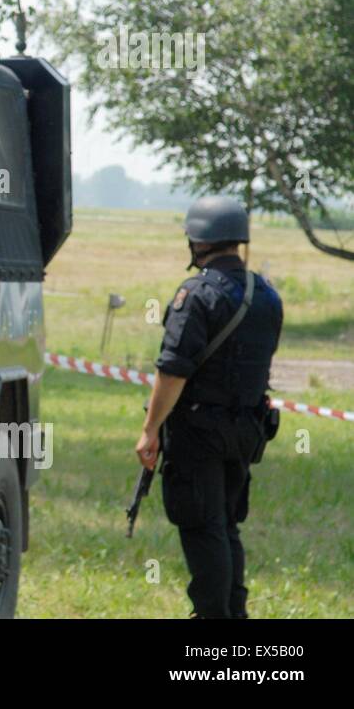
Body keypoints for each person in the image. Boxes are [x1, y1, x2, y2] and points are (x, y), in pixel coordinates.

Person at [135, 196, 283, 618]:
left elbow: (172, 371)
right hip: (246, 431)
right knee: (225, 527)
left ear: (198, 240)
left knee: (204, 529)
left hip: (199, 434)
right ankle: (234, 614)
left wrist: (150, 430)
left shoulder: (195, 294)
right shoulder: (266, 294)